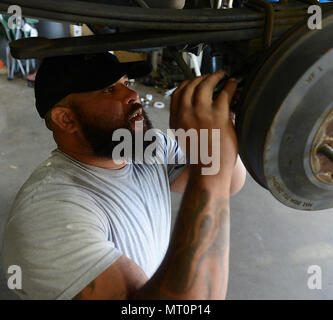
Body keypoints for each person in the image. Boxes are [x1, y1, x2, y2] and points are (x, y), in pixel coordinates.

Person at [2, 52, 246, 300]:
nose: (132, 95)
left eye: (126, 83)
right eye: (109, 90)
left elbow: (230, 183)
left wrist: (221, 129)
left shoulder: (147, 148)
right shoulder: (48, 216)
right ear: (66, 119)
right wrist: (211, 169)